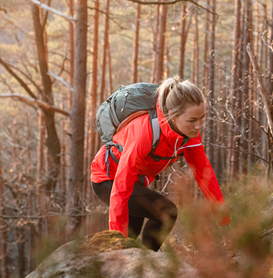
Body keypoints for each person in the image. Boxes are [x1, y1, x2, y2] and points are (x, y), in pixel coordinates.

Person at [91, 77, 230, 250]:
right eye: (192, 120)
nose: (198, 126)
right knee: (165, 213)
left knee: (131, 240)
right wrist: (116, 241)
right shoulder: (145, 132)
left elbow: (205, 175)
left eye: (202, 118)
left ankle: (142, 261)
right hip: (107, 178)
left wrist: (224, 221)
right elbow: (120, 187)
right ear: (172, 115)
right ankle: (145, 260)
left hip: (134, 182)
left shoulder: (190, 136)